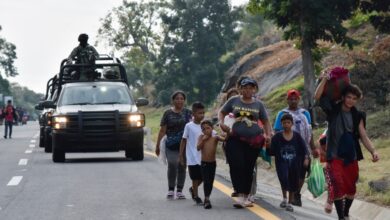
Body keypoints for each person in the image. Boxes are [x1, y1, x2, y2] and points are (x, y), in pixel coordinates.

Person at [314, 73, 379, 220]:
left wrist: (373, 151)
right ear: (343, 97)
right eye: (348, 97)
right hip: (334, 155)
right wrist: (325, 79)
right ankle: (341, 217)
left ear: (357, 100)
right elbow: (317, 97)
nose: (351, 100)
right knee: (337, 185)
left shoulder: (358, 115)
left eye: (354, 98)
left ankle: (345, 213)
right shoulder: (333, 110)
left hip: (351, 156)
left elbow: (363, 135)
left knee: (351, 189)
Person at [218, 77, 272, 208]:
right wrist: (221, 123)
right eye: (245, 87)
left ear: (254, 89)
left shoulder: (258, 104)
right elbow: (222, 112)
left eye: (250, 88)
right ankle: (240, 193)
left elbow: (265, 121)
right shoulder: (234, 100)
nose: (248, 90)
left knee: (249, 168)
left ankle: (245, 196)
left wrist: (268, 135)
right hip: (235, 139)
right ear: (240, 89)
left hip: (253, 142)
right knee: (237, 164)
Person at [273, 89, 319, 206]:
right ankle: (288, 196)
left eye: (295, 99)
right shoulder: (282, 114)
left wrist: (313, 149)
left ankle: (296, 194)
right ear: (287, 100)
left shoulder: (305, 113)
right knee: (287, 172)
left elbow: (309, 132)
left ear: (299, 100)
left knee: (301, 173)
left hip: (302, 148)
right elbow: (277, 131)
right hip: (286, 149)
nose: (293, 101)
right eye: (291, 99)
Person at [155, 91, 192, 200]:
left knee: (182, 165)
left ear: (184, 100)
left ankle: (179, 190)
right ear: (173, 100)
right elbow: (162, 130)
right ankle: (171, 189)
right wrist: (157, 146)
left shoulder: (188, 113)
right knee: (172, 163)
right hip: (170, 144)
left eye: (182, 98)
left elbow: (194, 127)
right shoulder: (167, 113)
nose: (179, 100)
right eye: (177, 98)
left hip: (185, 144)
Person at [269, 113, 310, 212]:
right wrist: (267, 144)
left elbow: (304, 149)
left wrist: (306, 158)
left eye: (288, 122)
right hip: (281, 163)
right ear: (281, 124)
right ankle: (284, 198)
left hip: (295, 164)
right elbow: (271, 151)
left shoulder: (297, 136)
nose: (286, 124)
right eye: (284, 123)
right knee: (284, 178)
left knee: (293, 182)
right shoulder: (277, 137)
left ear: (292, 124)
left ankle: (289, 203)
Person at [179, 102, 206, 205]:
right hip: (192, 157)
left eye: (203, 113)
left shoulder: (205, 125)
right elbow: (184, 140)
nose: (202, 115)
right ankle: (196, 196)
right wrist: (181, 155)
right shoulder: (188, 126)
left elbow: (213, 134)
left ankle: (193, 189)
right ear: (193, 114)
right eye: (200, 113)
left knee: (204, 177)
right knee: (195, 177)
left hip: (203, 157)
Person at [197, 120, 225, 209]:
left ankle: (207, 197)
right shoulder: (201, 137)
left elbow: (224, 139)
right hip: (204, 163)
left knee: (211, 182)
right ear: (202, 131)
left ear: (212, 128)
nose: (206, 131)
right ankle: (207, 199)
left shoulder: (215, 137)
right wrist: (203, 141)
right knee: (206, 181)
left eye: (208, 128)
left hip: (212, 163)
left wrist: (226, 133)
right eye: (204, 129)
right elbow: (198, 148)